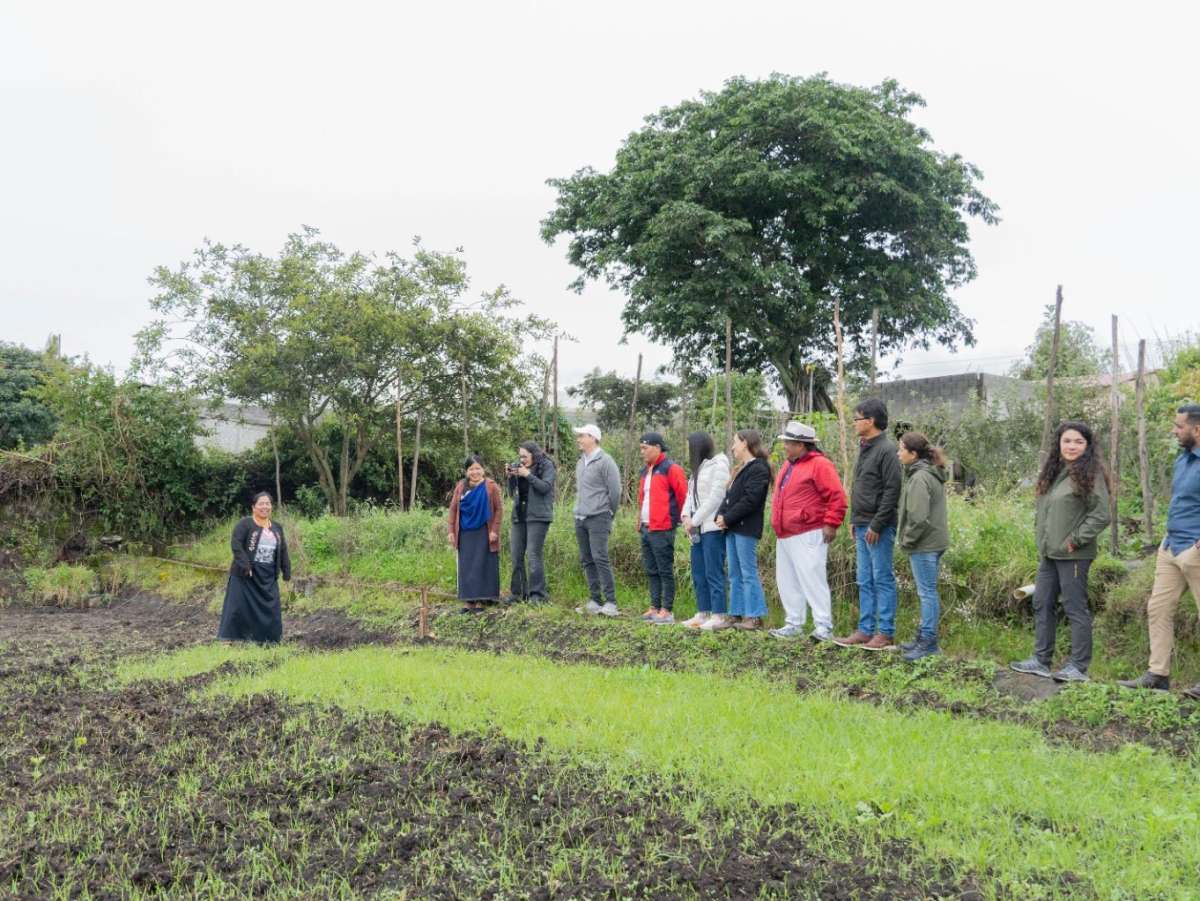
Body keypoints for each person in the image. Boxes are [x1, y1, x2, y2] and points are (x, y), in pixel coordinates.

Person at [1010, 421, 1111, 682]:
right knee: (1042, 602)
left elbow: (1101, 515)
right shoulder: (1055, 472)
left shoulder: (1091, 474)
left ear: (1087, 446)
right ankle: (1041, 661)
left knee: (1074, 607)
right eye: (1067, 441)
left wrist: (1074, 541)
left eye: (1078, 441)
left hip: (1073, 554)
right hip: (1050, 553)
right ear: (1059, 443)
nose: (1071, 446)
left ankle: (1078, 667)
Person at [1119, 404, 1200, 696]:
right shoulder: (1183, 459)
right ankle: (1158, 675)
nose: (1174, 430)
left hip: (1195, 549)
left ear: (1197, 429)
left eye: (1179, 426)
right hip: (1171, 546)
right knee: (1158, 608)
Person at [834, 399, 903, 651]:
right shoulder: (865, 448)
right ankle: (865, 630)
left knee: (881, 578)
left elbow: (892, 491)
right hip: (862, 523)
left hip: (878, 526)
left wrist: (877, 524)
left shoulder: (887, 450)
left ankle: (885, 632)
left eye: (857, 418)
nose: (854, 423)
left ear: (871, 421)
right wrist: (854, 520)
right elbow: (861, 487)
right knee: (864, 579)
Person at [768, 421, 846, 641]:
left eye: (789, 443)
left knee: (812, 578)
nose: (785, 446)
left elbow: (837, 496)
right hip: (786, 532)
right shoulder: (789, 464)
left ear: (801, 445)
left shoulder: (820, 464)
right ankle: (794, 623)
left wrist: (831, 523)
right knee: (787, 580)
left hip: (808, 530)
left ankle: (824, 626)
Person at [895, 432, 950, 661]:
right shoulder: (928, 473)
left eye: (901, 449)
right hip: (934, 541)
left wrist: (906, 540)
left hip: (924, 544)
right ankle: (923, 638)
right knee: (928, 592)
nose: (898, 453)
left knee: (927, 593)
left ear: (913, 453)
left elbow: (918, 518)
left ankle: (928, 642)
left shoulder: (919, 478)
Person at [712, 429, 773, 632]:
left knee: (748, 573)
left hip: (746, 528)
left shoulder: (759, 468)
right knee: (734, 574)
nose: (732, 447)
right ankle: (735, 614)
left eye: (735, 442)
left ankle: (754, 617)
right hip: (732, 528)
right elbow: (729, 497)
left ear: (745, 443)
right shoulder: (741, 469)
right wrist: (720, 515)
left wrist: (728, 518)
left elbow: (750, 500)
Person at [218, 491, 291, 643]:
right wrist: (246, 565)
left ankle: (268, 640)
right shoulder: (245, 524)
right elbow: (236, 545)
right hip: (246, 574)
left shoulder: (277, 527)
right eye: (261, 504)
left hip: (267, 575)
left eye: (267, 503)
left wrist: (286, 570)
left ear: (271, 506)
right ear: (253, 507)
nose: (265, 507)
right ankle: (229, 640)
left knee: (271, 609)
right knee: (237, 607)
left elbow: (283, 549)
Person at [636, 432, 689, 625]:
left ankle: (667, 610)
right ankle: (654, 607)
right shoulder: (645, 471)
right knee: (651, 569)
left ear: (657, 447)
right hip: (646, 527)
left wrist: (680, 520)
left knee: (664, 570)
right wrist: (639, 520)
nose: (642, 452)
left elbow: (683, 496)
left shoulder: (671, 469)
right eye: (641, 448)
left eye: (645, 448)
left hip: (663, 527)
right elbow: (643, 499)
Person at [680, 432, 730, 629]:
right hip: (697, 529)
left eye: (689, 447)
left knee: (713, 572)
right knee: (698, 572)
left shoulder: (718, 465)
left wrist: (694, 520)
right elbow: (689, 496)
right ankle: (703, 612)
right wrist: (685, 516)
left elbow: (716, 497)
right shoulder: (697, 470)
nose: (687, 451)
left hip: (712, 528)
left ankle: (719, 614)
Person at [573, 424, 623, 617]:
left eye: (582, 436)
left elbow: (615, 491)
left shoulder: (606, 461)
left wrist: (609, 513)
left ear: (593, 438)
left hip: (599, 516)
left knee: (600, 557)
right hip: (580, 517)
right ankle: (595, 600)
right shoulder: (581, 462)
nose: (579, 439)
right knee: (587, 559)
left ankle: (611, 602)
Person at [448, 455, 503, 613]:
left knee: (483, 564)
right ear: (466, 471)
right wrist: (451, 531)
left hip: (485, 531)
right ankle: (469, 601)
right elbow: (453, 509)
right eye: (471, 469)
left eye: (478, 468)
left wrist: (494, 530)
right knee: (467, 566)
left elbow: (499, 509)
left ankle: (481, 600)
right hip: (465, 532)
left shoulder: (491, 486)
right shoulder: (461, 487)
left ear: (483, 470)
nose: (475, 472)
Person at [505, 441, 556, 604]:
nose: (522, 459)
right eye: (520, 456)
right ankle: (518, 593)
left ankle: (537, 595)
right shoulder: (520, 467)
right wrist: (511, 477)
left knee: (533, 555)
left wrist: (527, 474)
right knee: (516, 554)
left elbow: (545, 487)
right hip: (520, 515)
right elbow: (511, 492)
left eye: (525, 456)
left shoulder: (547, 465)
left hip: (538, 515)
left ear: (534, 454)